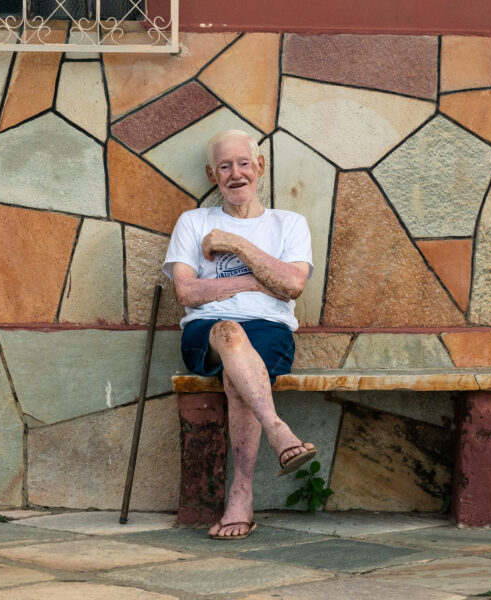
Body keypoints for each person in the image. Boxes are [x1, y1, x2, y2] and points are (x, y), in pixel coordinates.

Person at [162, 129, 316, 540]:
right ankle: (277, 430)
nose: (236, 174)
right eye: (225, 166)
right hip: (204, 332)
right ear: (212, 174)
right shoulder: (193, 222)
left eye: (243, 163)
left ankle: (241, 495)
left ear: (259, 167)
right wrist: (254, 282)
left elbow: (293, 285)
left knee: (238, 372)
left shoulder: (290, 224)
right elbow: (186, 291)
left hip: (269, 331)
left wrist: (235, 243)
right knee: (229, 333)